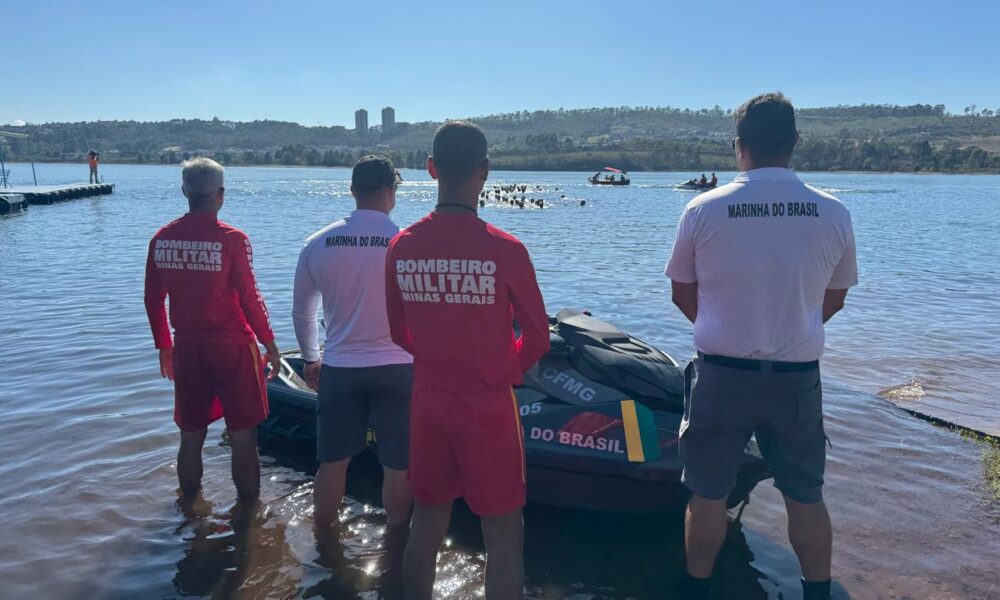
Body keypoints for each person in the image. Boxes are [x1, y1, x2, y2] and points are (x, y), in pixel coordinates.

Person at [665, 92, 857, 600]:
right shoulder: (833, 212)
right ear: (795, 142)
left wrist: (726, 326)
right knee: (806, 497)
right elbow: (833, 298)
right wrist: (789, 326)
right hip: (796, 378)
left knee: (708, 496)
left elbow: (682, 293)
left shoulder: (703, 208)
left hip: (722, 374)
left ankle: (696, 591)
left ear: (738, 146)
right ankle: (816, 594)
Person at [385, 121, 549, 600]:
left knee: (426, 525)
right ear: (486, 172)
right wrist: (502, 368)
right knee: (503, 535)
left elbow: (398, 331)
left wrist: (440, 361)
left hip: (430, 401)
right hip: (489, 406)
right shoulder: (506, 249)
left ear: (431, 168)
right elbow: (538, 337)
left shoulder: (403, 246)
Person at [144, 157, 281, 501]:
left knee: (190, 436)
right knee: (242, 436)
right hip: (233, 349)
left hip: (188, 348)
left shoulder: (162, 239)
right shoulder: (233, 240)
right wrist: (271, 344)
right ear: (221, 194)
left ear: (184, 192)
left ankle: (189, 509)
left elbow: (152, 299)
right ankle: (249, 516)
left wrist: (164, 345)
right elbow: (250, 299)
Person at [291, 155, 415, 532]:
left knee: (332, 463)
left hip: (341, 367)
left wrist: (312, 359)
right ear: (391, 192)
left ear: (352, 191)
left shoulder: (318, 242)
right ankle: (396, 546)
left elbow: (302, 313)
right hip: (398, 367)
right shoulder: (408, 244)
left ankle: (323, 543)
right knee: (399, 466)